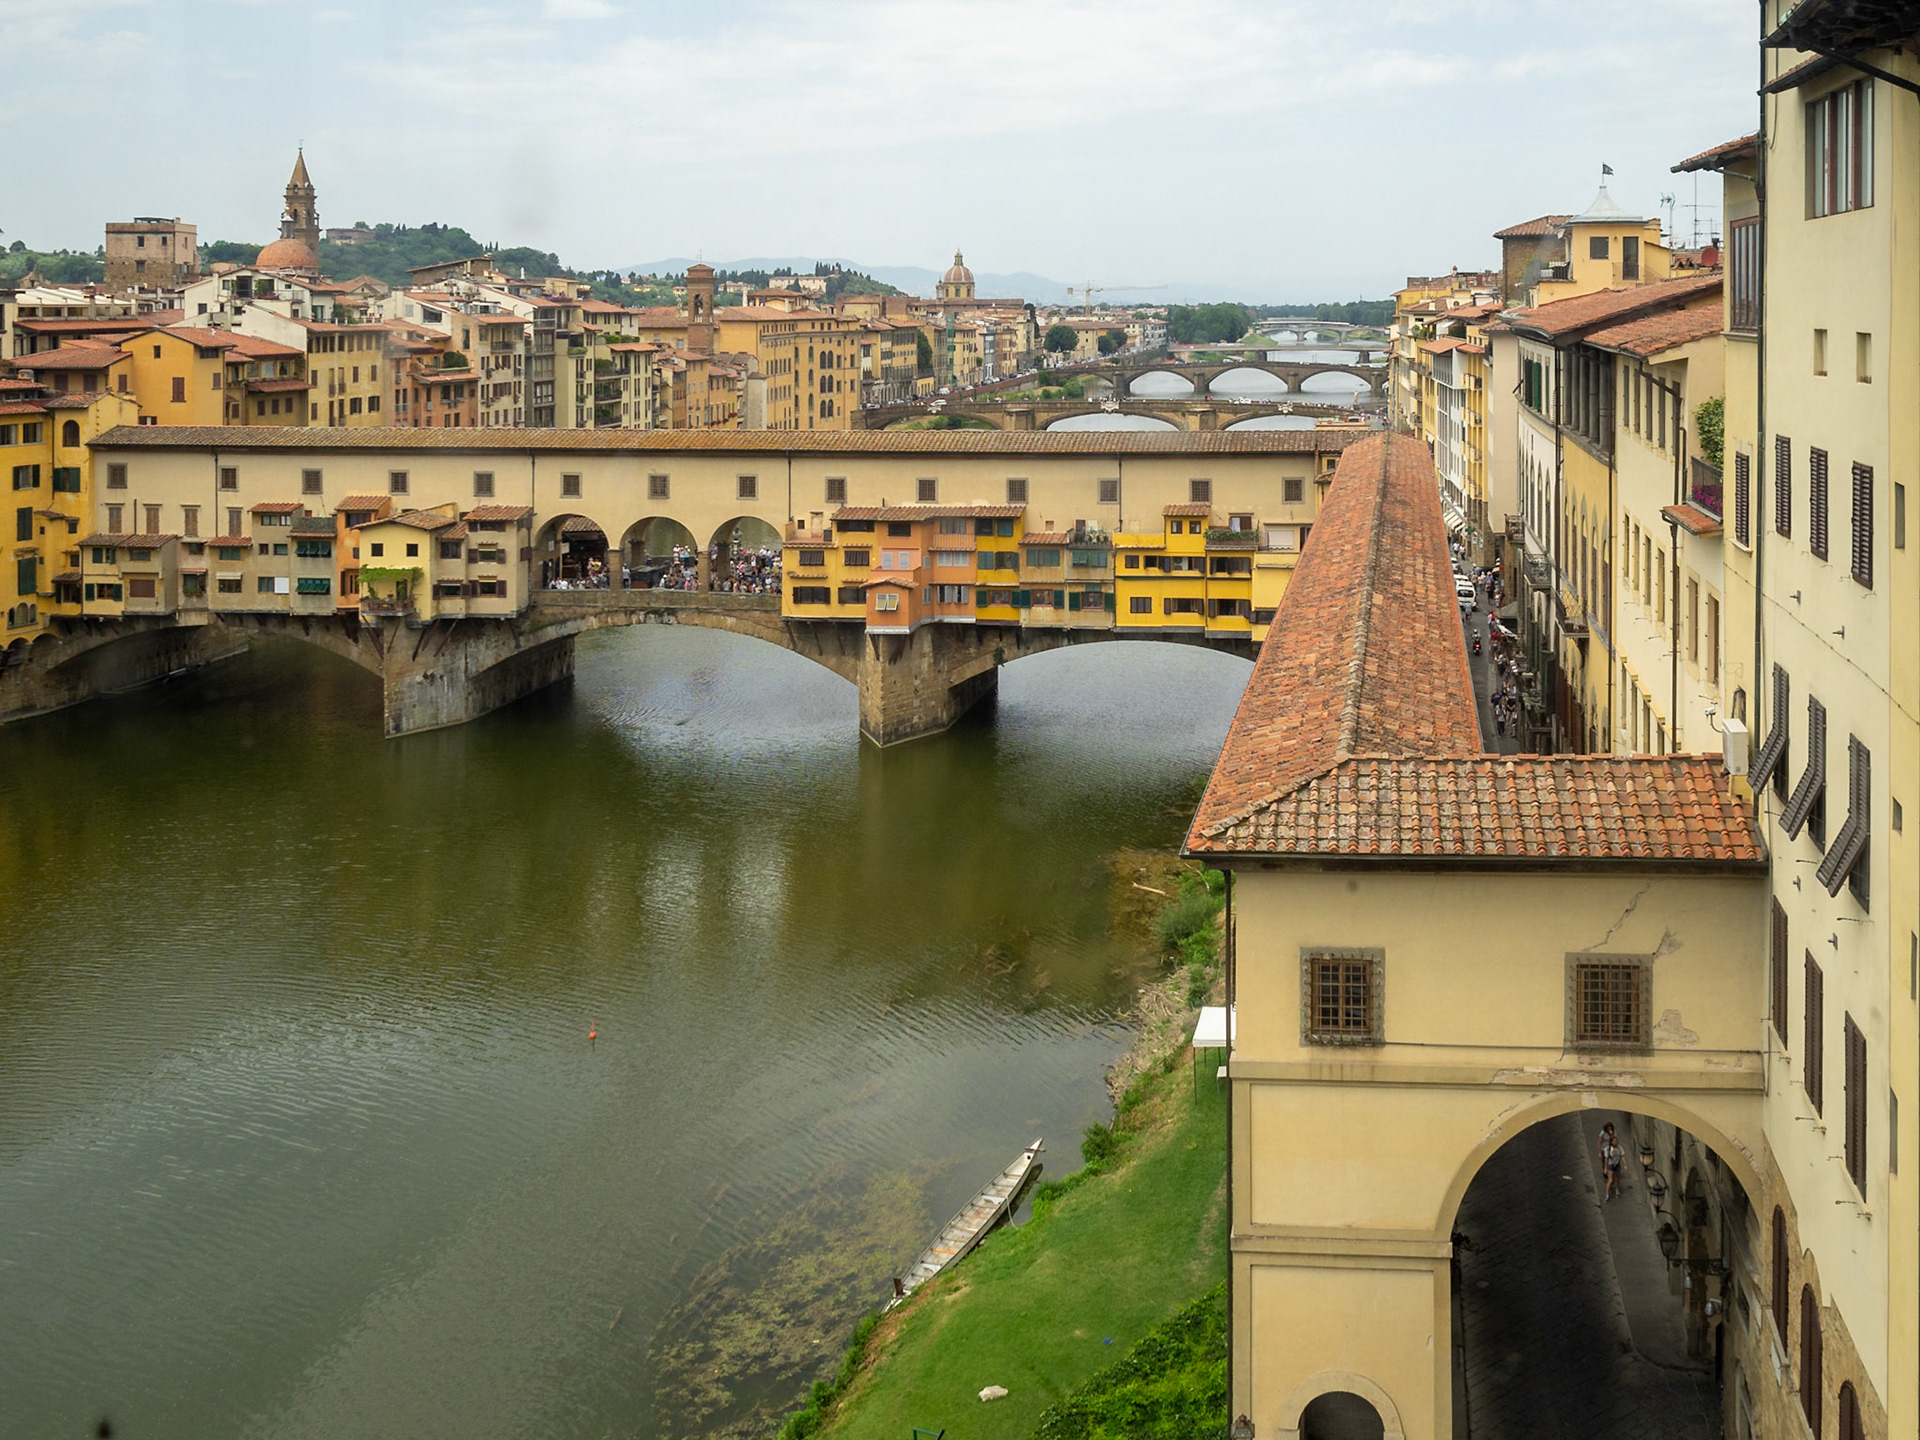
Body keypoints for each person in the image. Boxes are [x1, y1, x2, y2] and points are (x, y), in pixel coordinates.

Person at [1599, 1122, 1625, 1200]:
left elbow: (1622, 1156)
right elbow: (1606, 1159)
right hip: (1611, 1165)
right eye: (1614, 1141)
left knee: (1617, 1178)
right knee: (1610, 1180)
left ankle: (1617, 1190)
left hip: (1616, 1164)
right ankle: (1607, 1194)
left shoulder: (1619, 1148)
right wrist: (1605, 1168)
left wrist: (1625, 1164)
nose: (1616, 1142)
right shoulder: (1607, 1149)